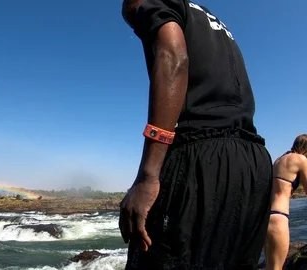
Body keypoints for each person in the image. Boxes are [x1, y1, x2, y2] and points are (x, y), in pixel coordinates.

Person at [118, 0, 273, 269]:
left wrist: (148, 176)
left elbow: (174, 59)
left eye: (132, 18)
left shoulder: (155, 4)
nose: (137, 26)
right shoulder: (212, 22)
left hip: (200, 158)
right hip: (253, 164)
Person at [264, 134, 307, 270]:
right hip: (279, 217)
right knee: (277, 267)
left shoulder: (279, 160)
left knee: (270, 266)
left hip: (265, 216)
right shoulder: (300, 159)